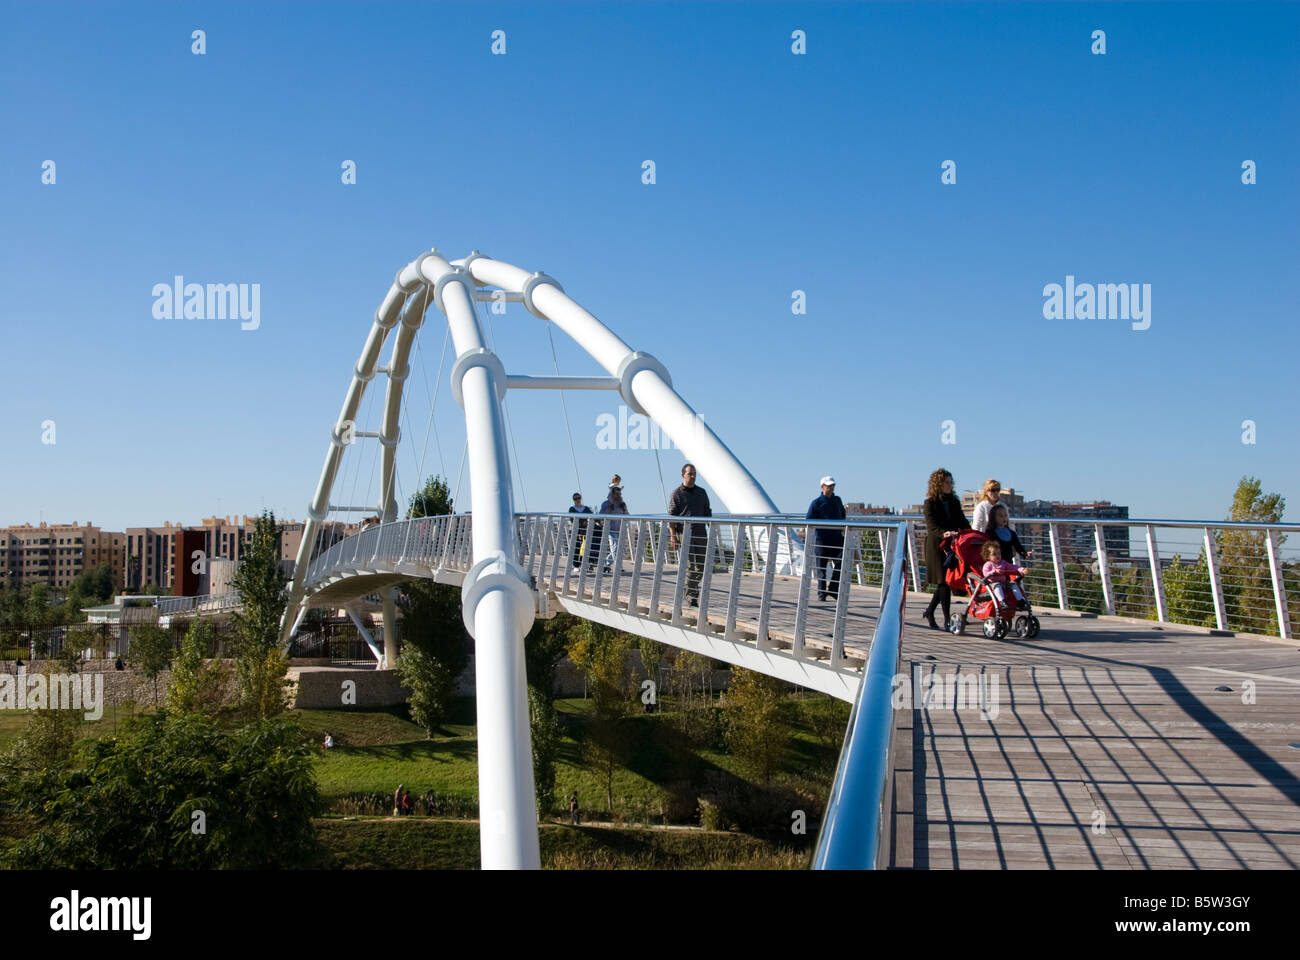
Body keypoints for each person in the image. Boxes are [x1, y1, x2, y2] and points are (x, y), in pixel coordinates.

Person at [922, 468, 970, 629]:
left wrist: (970, 534)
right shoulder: (930, 503)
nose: (950, 485)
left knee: (947, 581)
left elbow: (962, 521)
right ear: (939, 484)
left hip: (952, 545)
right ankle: (947, 618)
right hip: (936, 546)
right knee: (943, 581)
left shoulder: (954, 502)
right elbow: (932, 526)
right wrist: (944, 533)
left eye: (951, 482)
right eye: (947, 482)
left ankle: (930, 611)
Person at [668, 463, 712, 607]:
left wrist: (712, 531)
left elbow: (708, 513)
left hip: (701, 534)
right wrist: (673, 537)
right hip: (684, 534)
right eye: (690, 474)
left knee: (701, 566)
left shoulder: (702, 492)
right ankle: (691, 596)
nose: (693, 476)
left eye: (694, 474)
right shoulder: (677, 494)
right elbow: (672, 518)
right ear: (683, 475)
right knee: (691, 565)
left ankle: (689, 590)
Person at [806, 476, 847, 601]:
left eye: (832, 485)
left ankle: (833, 589)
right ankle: (822, 593)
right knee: (821, 568)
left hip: (836, 538)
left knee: (841, 562)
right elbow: (809, 520)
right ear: (822, 486)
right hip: (822, 539)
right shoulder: (816, 503)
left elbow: (843, 515)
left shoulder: (837, 500)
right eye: (828, 486)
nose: (831, 488)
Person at [980, 540, 1028, 608]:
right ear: (988, 556)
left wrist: (1021, 569)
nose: (997, 556)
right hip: (993, 583)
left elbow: (1012, 566)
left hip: (1004, 582)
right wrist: (994, 571)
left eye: (999, 553)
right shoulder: (988, 565)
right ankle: (1002, 601)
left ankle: (1020, 600)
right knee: (997, 586)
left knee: (1013, 584)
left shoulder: (1003, 563)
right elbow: (986, 574)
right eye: (994, 554)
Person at [598, 476, 630, 573]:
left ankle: (606, 564)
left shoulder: (622, 504)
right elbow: (601, 515)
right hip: (610, 529)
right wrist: (609, 509)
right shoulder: (606, 504)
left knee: (618, 548)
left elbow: (627, 515)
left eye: (619, 493)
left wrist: (625, 513)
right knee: (615, 547)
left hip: (620, 528)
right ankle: (619, 567)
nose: (618, 495)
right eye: (616, 493)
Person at [568, 493, 592, 569]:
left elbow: (592, 516)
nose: (577, 500)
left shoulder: (586, 508)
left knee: (586, 547)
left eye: (578, 498)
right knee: (576, 547)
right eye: (575, 499)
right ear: (573, 500)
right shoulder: (572, 509)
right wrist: (582, 522)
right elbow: (572, 519)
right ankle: (576, 565)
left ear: (581, 498)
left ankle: (584, 563)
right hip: (576, 531)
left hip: (586, 530)